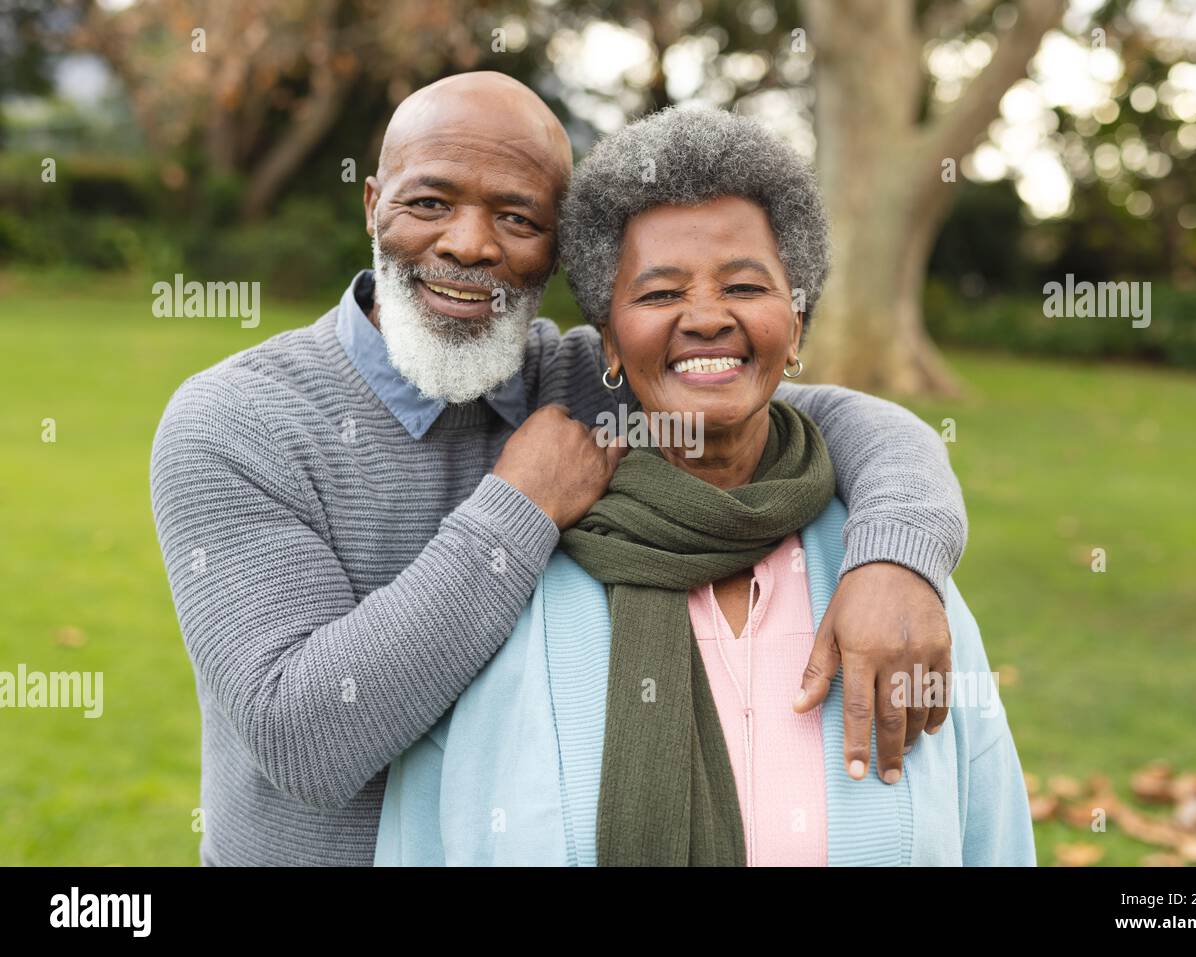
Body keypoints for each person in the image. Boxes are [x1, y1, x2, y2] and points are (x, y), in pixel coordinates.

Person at [151, 73, 970, 867]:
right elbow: (305, 739)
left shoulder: (591, 381)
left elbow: (829, 416)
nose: (468, 244)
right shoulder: (238, 422)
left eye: (517, 216)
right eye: (430, 202)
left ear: (558, 253)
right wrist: (519, 504)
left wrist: (896, 555)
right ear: (373, 204)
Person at [376, 107, 1034, 866]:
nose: (706, 317)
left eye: (745, 285)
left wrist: (899, 560)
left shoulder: (896, 584)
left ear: (797, 324)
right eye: (658, 295)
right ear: (610, 344)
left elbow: (995, 843)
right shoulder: (514, 596)